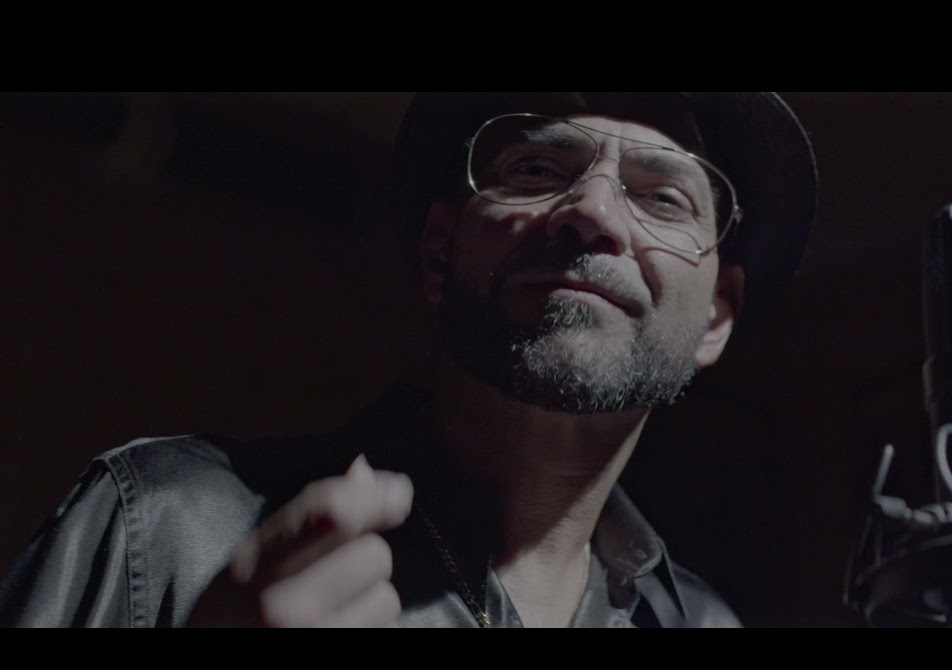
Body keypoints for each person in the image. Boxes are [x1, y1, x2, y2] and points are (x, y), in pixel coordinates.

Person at [0, 92, 819, 628]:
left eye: (663, 196)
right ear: (439, 252)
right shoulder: (162, 525)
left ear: (716, 319)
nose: (594, 210)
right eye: (537, 169)